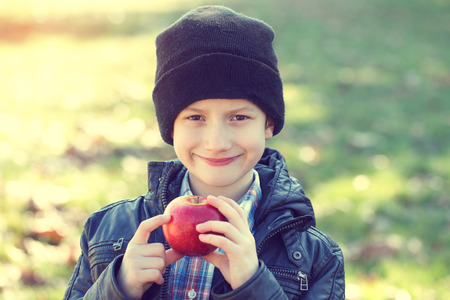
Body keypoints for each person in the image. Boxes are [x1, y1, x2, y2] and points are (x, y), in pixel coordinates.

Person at [64, 5, 345, 300]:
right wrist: (117, 289)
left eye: (239, 117)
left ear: (268, 124)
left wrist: (255, 287)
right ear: (171, 127)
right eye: (195, 118)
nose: (216, 142)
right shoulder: (107, 231)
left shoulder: (317, 259)